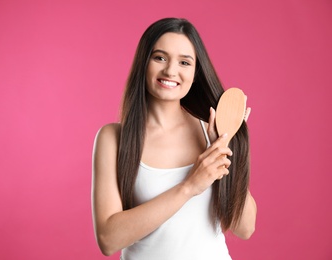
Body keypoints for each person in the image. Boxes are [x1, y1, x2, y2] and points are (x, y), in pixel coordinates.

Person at [91, 17, 257, 260]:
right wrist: (189, 186)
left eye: (184, 62)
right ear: (143, 63)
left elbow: (245, 228)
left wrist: (224, 147)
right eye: (160, 57)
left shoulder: (210, 133)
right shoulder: (113, 138)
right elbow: (108, 239)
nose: (171, 71)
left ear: (195, 72)